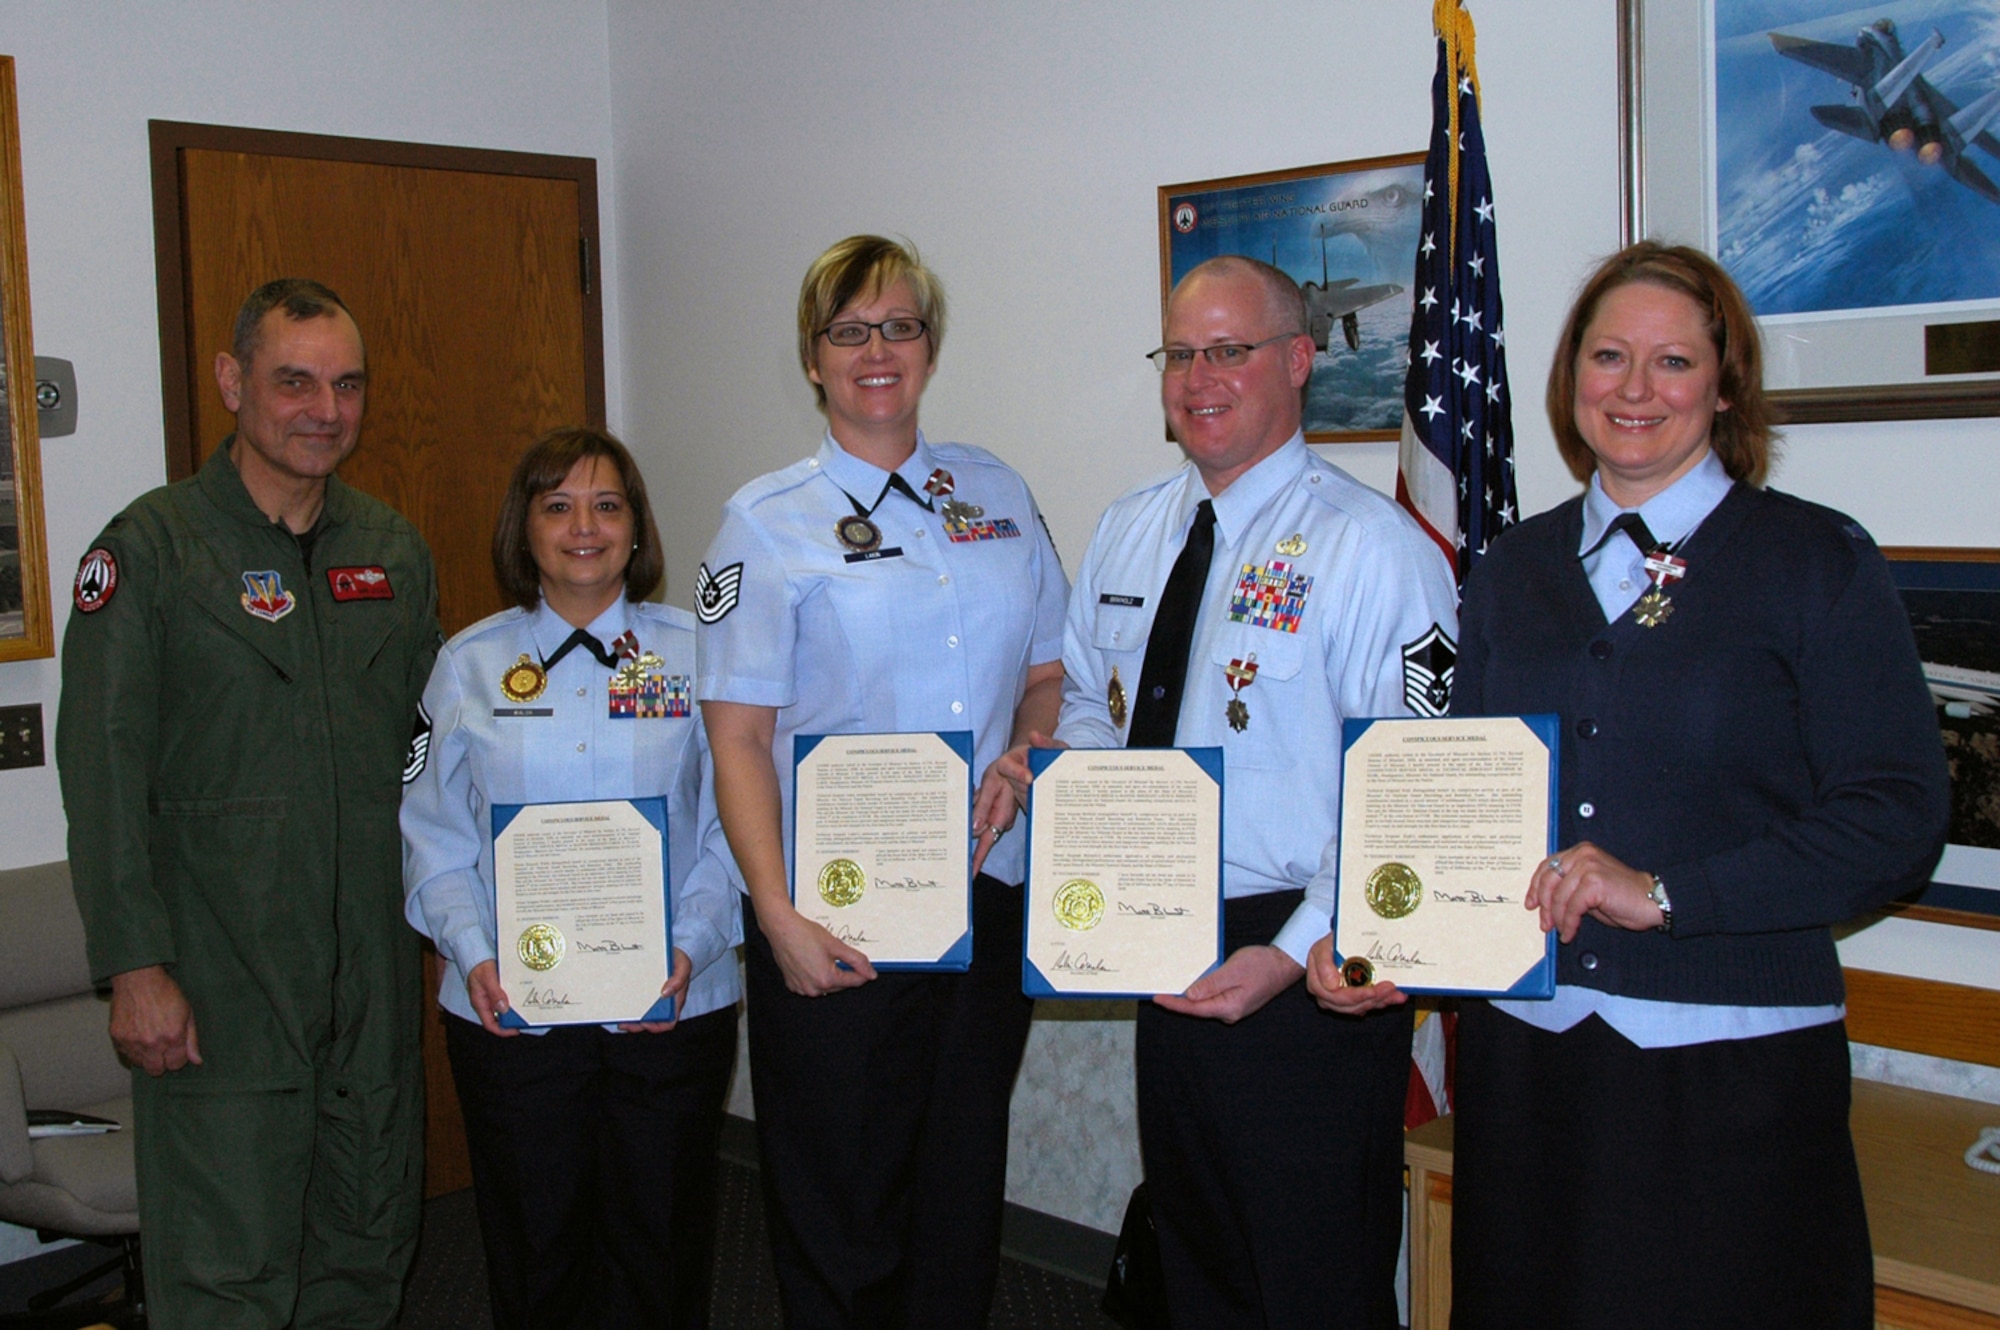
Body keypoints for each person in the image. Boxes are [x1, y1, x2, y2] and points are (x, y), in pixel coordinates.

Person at [1417, 240, 1949, 1328]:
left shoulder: (1813, 560)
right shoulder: (1512, 572)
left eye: (1670, 361)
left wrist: (1665, 893)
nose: (1633, 388)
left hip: (1730, 1077)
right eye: (1607, 356)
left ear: (1724, 382)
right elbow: (1460, 787)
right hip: (1531, 1065)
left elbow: (1894, 817)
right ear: (1569, 377)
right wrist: (1393, 930)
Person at [999, 255, 1459, 1328]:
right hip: (1159, 931)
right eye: (1179, 353)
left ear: (1297, 360)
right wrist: (1063, 786)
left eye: (1229, 350)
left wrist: (1296, 951)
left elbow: (1405, 788)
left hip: (1302, 962)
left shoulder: (1371, 551)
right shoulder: (1129, 528)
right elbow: (1087, 711)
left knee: (1310, 1276)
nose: (1199, 377)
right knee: (1196, 1261)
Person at [697, 235, 1067, 1328]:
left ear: (929, 346)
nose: (876, 350)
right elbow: (736, 740)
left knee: (957, 1194)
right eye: (848, 330)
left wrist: (1029, 745)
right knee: (838, 1206)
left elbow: (1048, 672)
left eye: (898, 326)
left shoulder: (996, 493)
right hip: (833, 915)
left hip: (980, 895)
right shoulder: (763, 523)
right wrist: (775, 915)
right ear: (812, 358)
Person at [55, 278, 438, 1328]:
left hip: (368, 971)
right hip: (220, 980)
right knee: (229, 1270)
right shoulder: (152, 552)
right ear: (233, 382)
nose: (325, 408)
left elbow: (429, 759)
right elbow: (101, 769)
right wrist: (134, 967)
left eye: (347, 383)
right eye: (294, 381)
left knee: (365, 1247)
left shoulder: (392, 552)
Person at [401, 426, 741, 1329]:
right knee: (533, 1246)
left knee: (662, 1246)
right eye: (557, 505)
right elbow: (433, 838)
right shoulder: (467, 664)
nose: (582, 526)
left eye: (607, 503)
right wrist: (473, 955)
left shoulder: (700, 655)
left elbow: (737, 828)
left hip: (672, 1006)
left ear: (637, 528)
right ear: (525, 530)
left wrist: (690, 944)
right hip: (510, 1015)